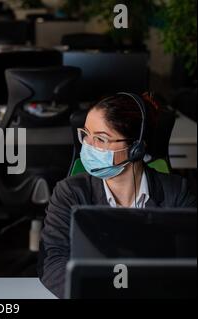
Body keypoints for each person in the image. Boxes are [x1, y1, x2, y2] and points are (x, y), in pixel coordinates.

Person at [38, 92, 196, 298]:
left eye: (101, 139)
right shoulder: (70, 193)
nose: (88, 145)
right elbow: (52, 261)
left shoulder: (177, 194)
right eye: (86, 134)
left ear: (136, 148)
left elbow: (188, 265)